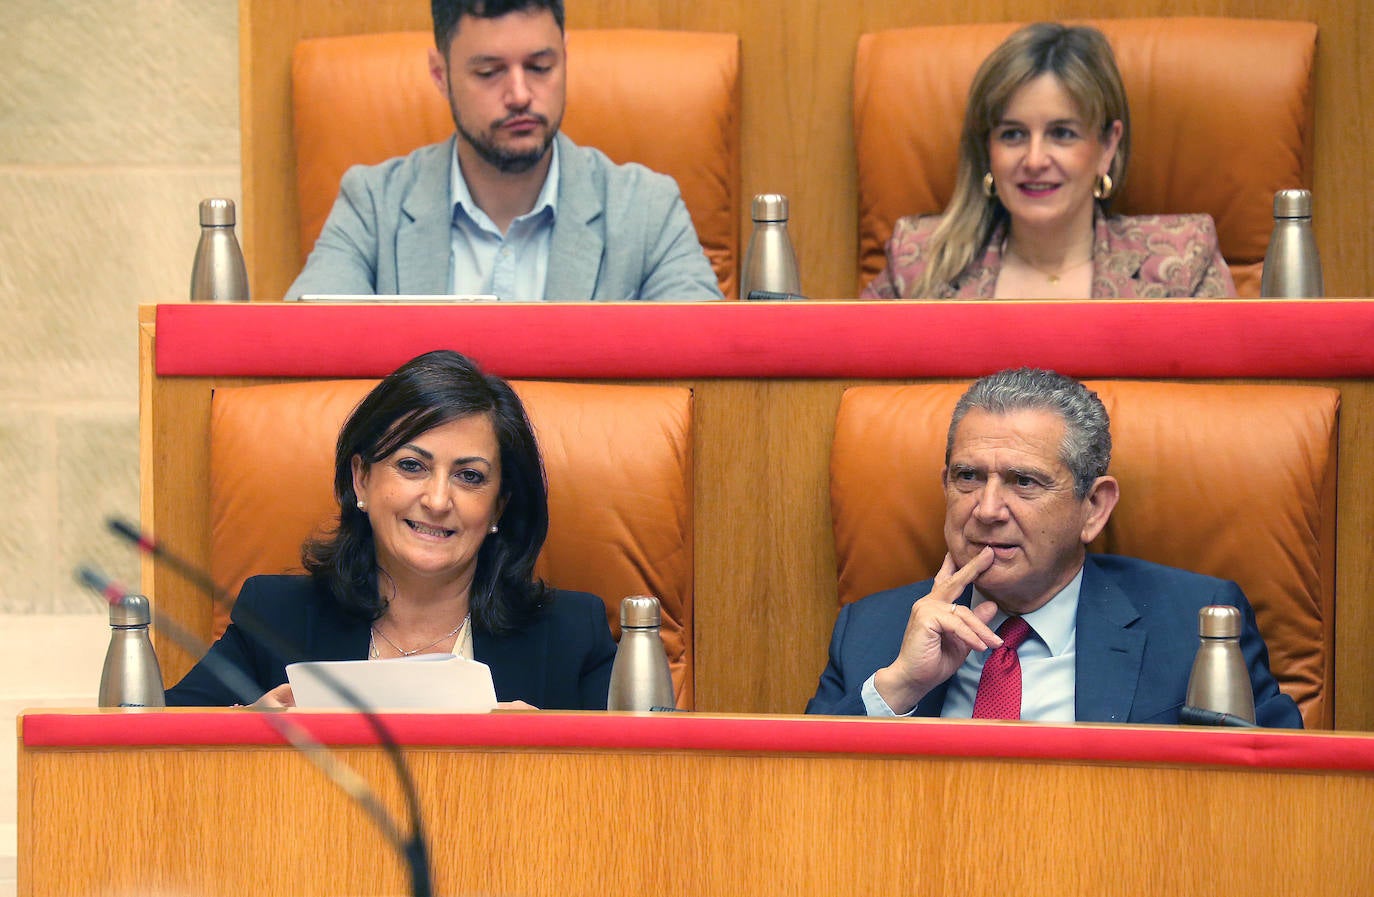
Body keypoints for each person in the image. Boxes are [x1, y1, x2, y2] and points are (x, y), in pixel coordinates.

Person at [807, 368, 1301, 727]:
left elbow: (1273, 800)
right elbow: (804, 805)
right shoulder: (871, 631)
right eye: (968, 477)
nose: (986, 509)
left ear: (1094, 508)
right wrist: (900, 690)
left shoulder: (1193, 625)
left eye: (1023, 481)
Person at [165, 349, 616, 709]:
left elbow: (652, 785)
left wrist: (550, 755)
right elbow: (158, 755)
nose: (438, 500)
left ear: (500, 504)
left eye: (470, 476)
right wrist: (250, 734)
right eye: (412, 466)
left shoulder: (571, 635)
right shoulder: (273, 617)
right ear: (362, 478)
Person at [285, 0, 722, 302]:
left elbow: (710, 376)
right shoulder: (372, 205)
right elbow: (306, 358)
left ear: (565, 59)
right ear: (440, 75)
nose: (519, 94)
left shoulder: (647, 209)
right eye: (490, 72)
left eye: (540, 67)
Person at [862, 23, 1236, 300]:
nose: (1035, 159)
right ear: (987, 149)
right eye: (1012, 134)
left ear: (1107, 146)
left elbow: (1222, 402)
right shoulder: (919, 264)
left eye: (1062, 133)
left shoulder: (1182, 263)